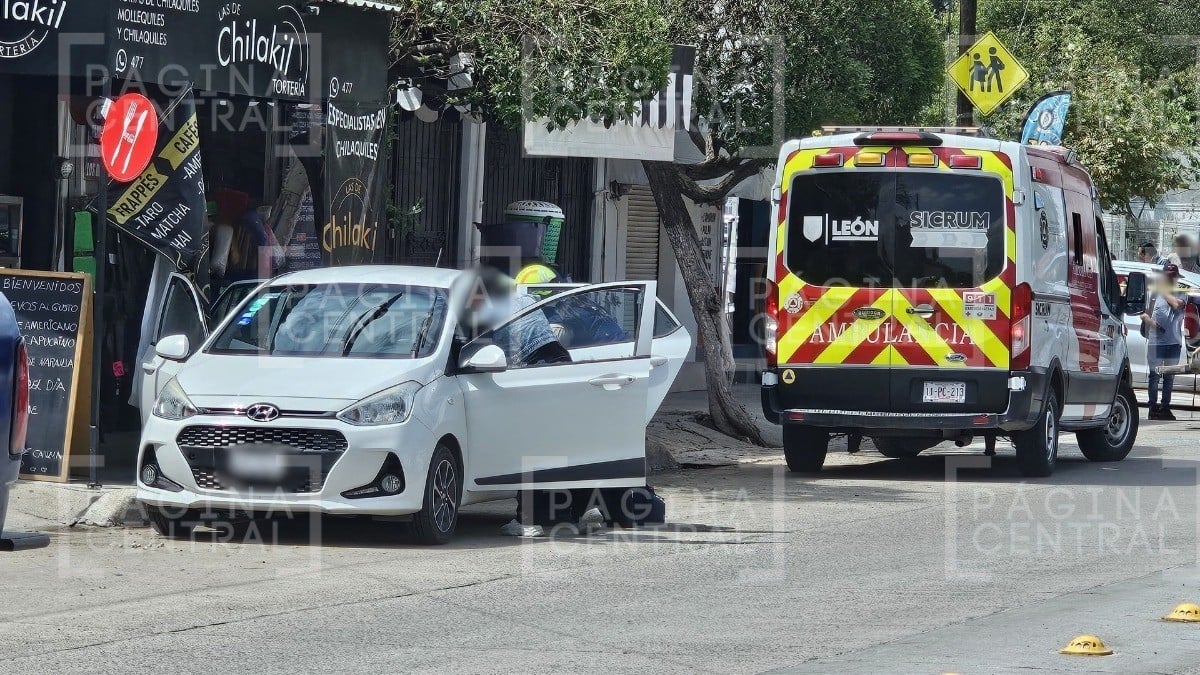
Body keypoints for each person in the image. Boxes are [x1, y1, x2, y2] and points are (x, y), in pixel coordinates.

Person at [1141, 264, 1187, 420]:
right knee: (1154, 376)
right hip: (1155, 342)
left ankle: (1165, 407)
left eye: (1172, 276)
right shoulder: (1154, 293)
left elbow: (1176, 304)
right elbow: (1143, 314)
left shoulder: (1181, 293)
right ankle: (1152, 408)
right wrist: (1151, 322)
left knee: (1169, 377)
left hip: (1173, 342)